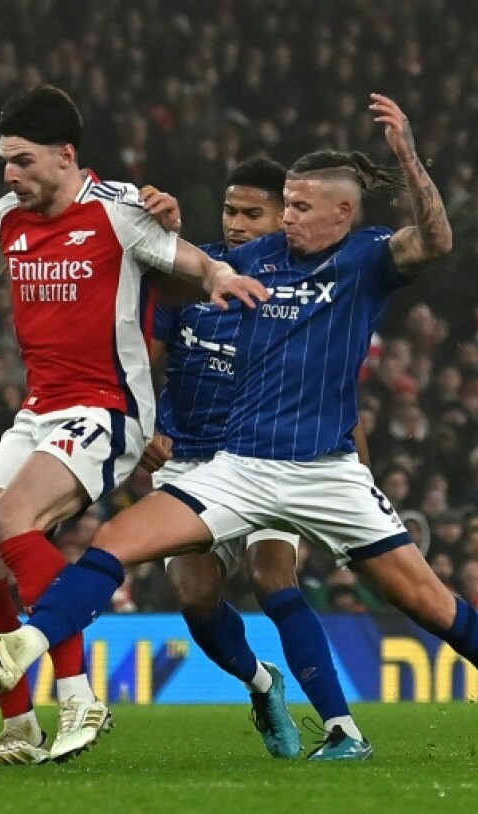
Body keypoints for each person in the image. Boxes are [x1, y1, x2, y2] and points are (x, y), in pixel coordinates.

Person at [0, 94, 478, 763]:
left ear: (343, 213)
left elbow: (436, 240)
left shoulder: (368, 259)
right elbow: (165, 277)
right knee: (113, 543)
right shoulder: (254, 260)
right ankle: (25, 648)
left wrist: (408, 159)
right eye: (284, 205)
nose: (284, 218)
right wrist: (164, 227)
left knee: (429, 605)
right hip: (237, 468)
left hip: (326, 472)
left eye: (298, 207)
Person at [0, 84, 265, 766]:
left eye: (22, 160)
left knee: (14, 521)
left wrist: (219, 275)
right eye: (4, 161)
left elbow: (189, 261)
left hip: (108, 406)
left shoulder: (120, 209)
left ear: (65, 155)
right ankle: (20, 732)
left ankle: (80, 697)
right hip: (40, 409)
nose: (9, 174)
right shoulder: (8, 217)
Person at [137, 158, 371, 760]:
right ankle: (262, 684)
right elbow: (139, 364)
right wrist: (142, 432)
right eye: (229, 211)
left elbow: (337, 395)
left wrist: (358, 480)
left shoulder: (310, 287)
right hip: (191, 459)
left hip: (270, 457)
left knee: (272, 574)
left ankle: (341, 726)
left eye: (253, 213)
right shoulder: (194, 277)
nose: (236, 224)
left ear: (284, 217)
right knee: (194, 594)